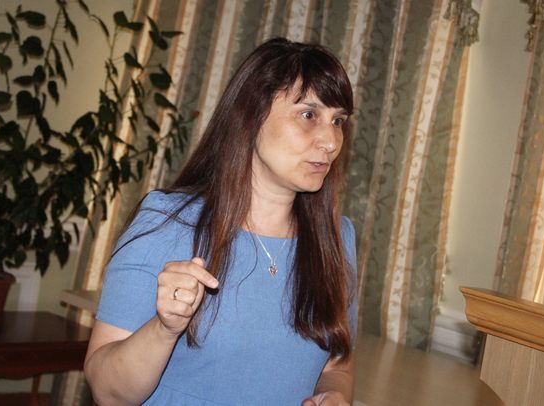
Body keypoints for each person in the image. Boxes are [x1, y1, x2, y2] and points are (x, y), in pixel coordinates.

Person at [84, 37, 358, 406]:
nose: (330, 140)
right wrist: (165, 329)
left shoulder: (337, 239)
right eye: (309, 115)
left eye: (338, 121)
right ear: (252, 115)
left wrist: (334, 395)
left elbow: (338, 364)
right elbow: (106, 392)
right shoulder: (165, 223)